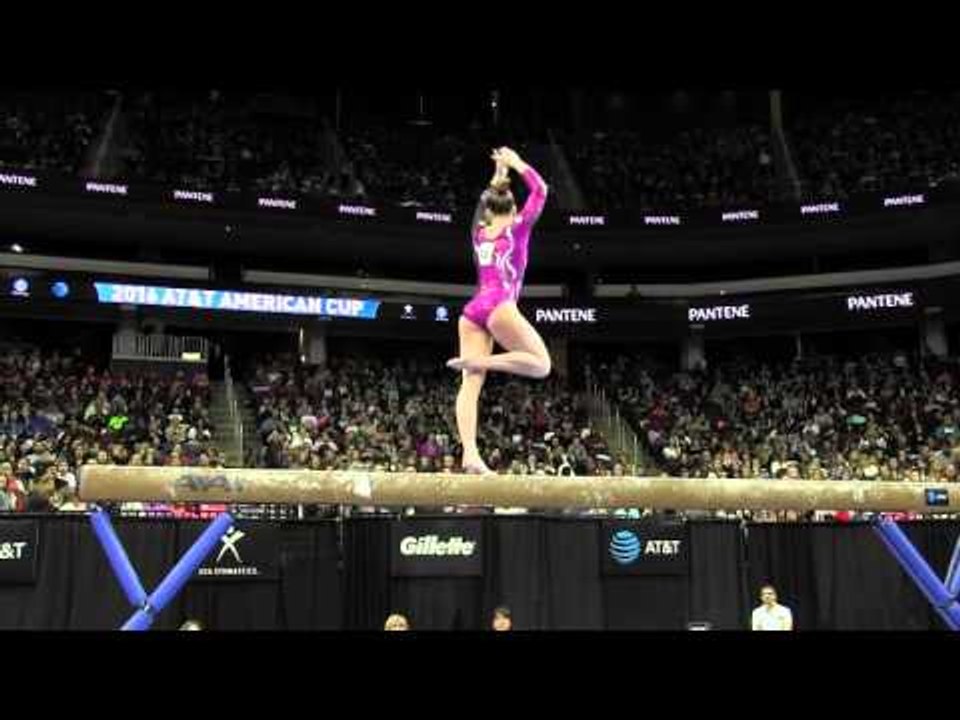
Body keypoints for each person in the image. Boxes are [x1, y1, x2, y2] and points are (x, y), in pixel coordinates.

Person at [447, 146, 550, 474]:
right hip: (499, 306)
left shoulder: (479, 234)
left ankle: (470, 453)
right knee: (542, 365)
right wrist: (516, 164)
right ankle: (481, 362)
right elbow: (541, 190)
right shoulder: (517, 228)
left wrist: (499, 175)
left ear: (489, 212)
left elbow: (483, 204)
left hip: (473, 310)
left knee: (470, 385)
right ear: (514, 208)